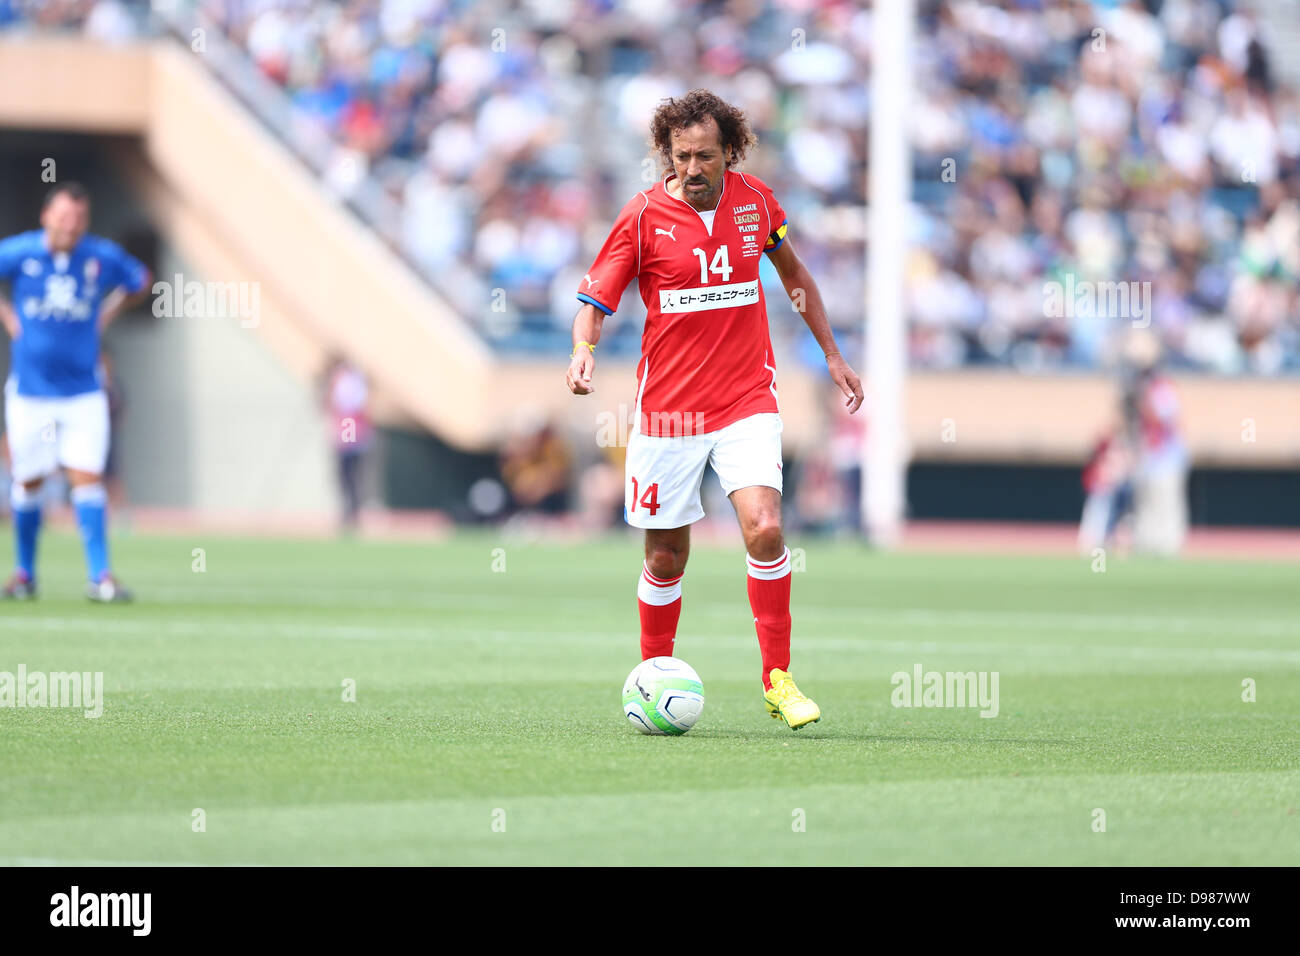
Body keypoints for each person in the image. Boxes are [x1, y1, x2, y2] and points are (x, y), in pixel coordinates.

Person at [564, 89, 863, 730]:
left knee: (765, 527)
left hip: (746, 399)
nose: (692, 169)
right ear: (665, 155)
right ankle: (652, 678)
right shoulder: (642, 216)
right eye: (680, 157)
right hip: (668, 412)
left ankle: (777, 680)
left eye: (704, 156)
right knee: (666, 557)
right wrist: (582, 350)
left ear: (731, 150)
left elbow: (796, 278)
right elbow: (596, 296)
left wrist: (833, 356)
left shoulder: (756, 203)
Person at [0, 182, 150, 601]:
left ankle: (100, 576)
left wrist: (110, 310)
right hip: (31, 391)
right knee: (28, 480)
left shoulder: (98, 257)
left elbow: (141, 279)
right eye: (64, 216)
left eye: (79, 218)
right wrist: (7, 313)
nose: (72, 225)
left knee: (87, 477)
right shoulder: (21, 253)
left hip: (83, 391)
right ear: (46, 216)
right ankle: (25, 575)